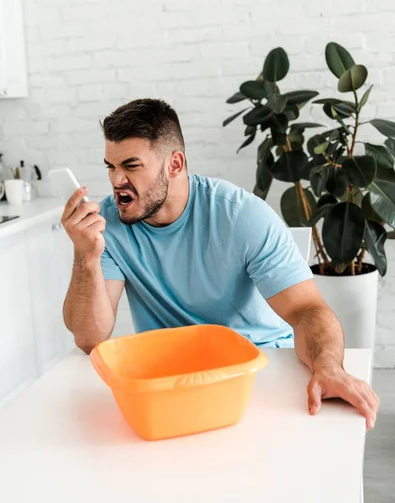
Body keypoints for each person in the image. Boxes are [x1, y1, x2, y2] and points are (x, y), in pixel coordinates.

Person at [62, 98, 379, 430]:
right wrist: (86, 256)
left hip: (260, 368)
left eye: (131, 165)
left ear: (174, 163)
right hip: (172, 383)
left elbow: (306, 309)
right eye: (111, 167)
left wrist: (328, 366)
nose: (117, 181)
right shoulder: (109, 225)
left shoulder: (240, 215)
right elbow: (90, 338)